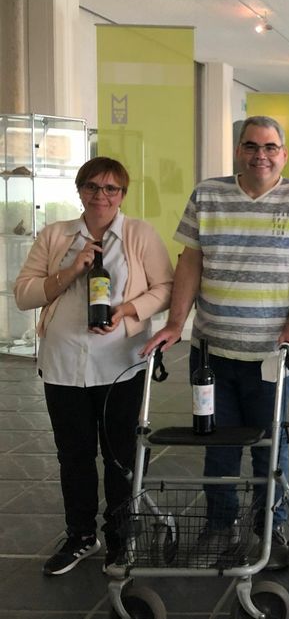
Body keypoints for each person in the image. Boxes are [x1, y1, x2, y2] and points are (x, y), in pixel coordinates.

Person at [142, 115, 289, 570]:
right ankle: (219, 526)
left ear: (283, 154)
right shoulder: (208, 194)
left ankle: (272, 526)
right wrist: (175, 323)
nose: (260, 155)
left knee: (271, 444)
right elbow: (190, 260)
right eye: (251, 146)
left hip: (270, 354)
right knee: (219, 444)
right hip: (212, 352)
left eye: (270, 147)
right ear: (238, 151)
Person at [14, 157, 173, 575]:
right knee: (74, 456)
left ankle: (121, 538)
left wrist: (128, 311)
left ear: (123, 194)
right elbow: (24, 294)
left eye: (111, 189)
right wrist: (70, 270)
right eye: (92, 187)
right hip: (63, 365)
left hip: (121, 365)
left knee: (121, 456)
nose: (101, 196)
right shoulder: (55, 235)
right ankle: (81, 535)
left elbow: (166, 288)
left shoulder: (139, 234)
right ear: (79, 190)